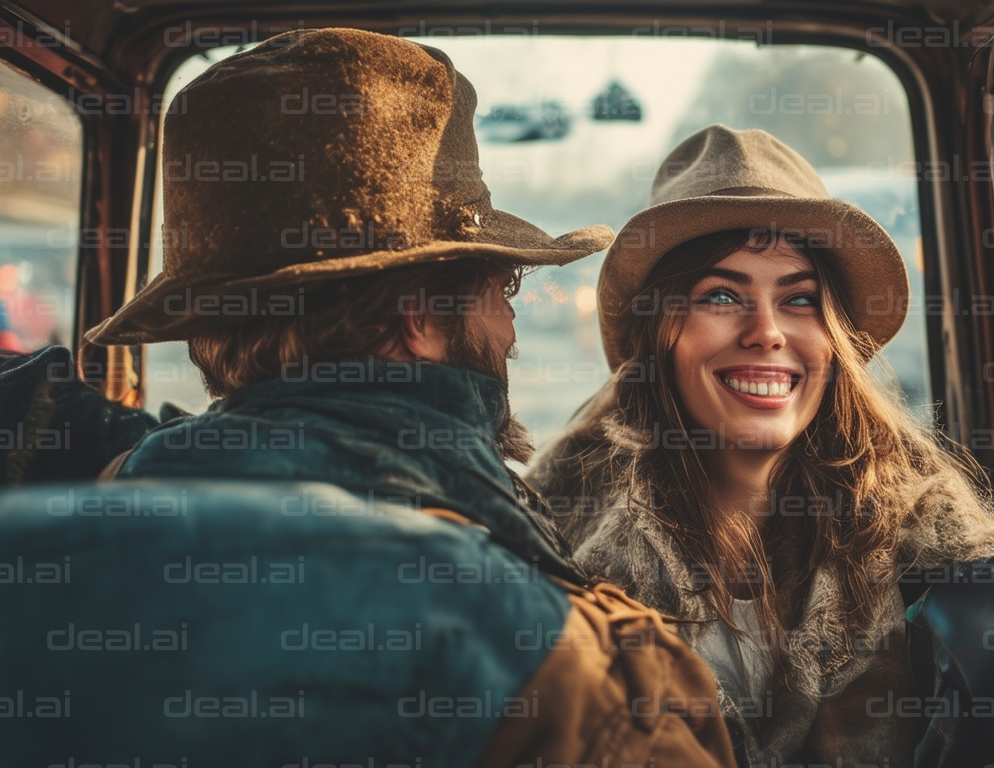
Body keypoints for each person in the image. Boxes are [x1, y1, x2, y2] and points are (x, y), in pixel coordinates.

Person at [0, 29, 735, 767]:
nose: (510, 326)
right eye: (500, 287)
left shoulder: (62, 526)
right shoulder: (578, 676)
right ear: (418, 314)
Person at [528, 125, 994, 767]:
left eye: (798, 299)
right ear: (661, 334)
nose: (766, 331)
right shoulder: (559, 545)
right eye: (720, 295)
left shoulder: (931, 539)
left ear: (834, 341)